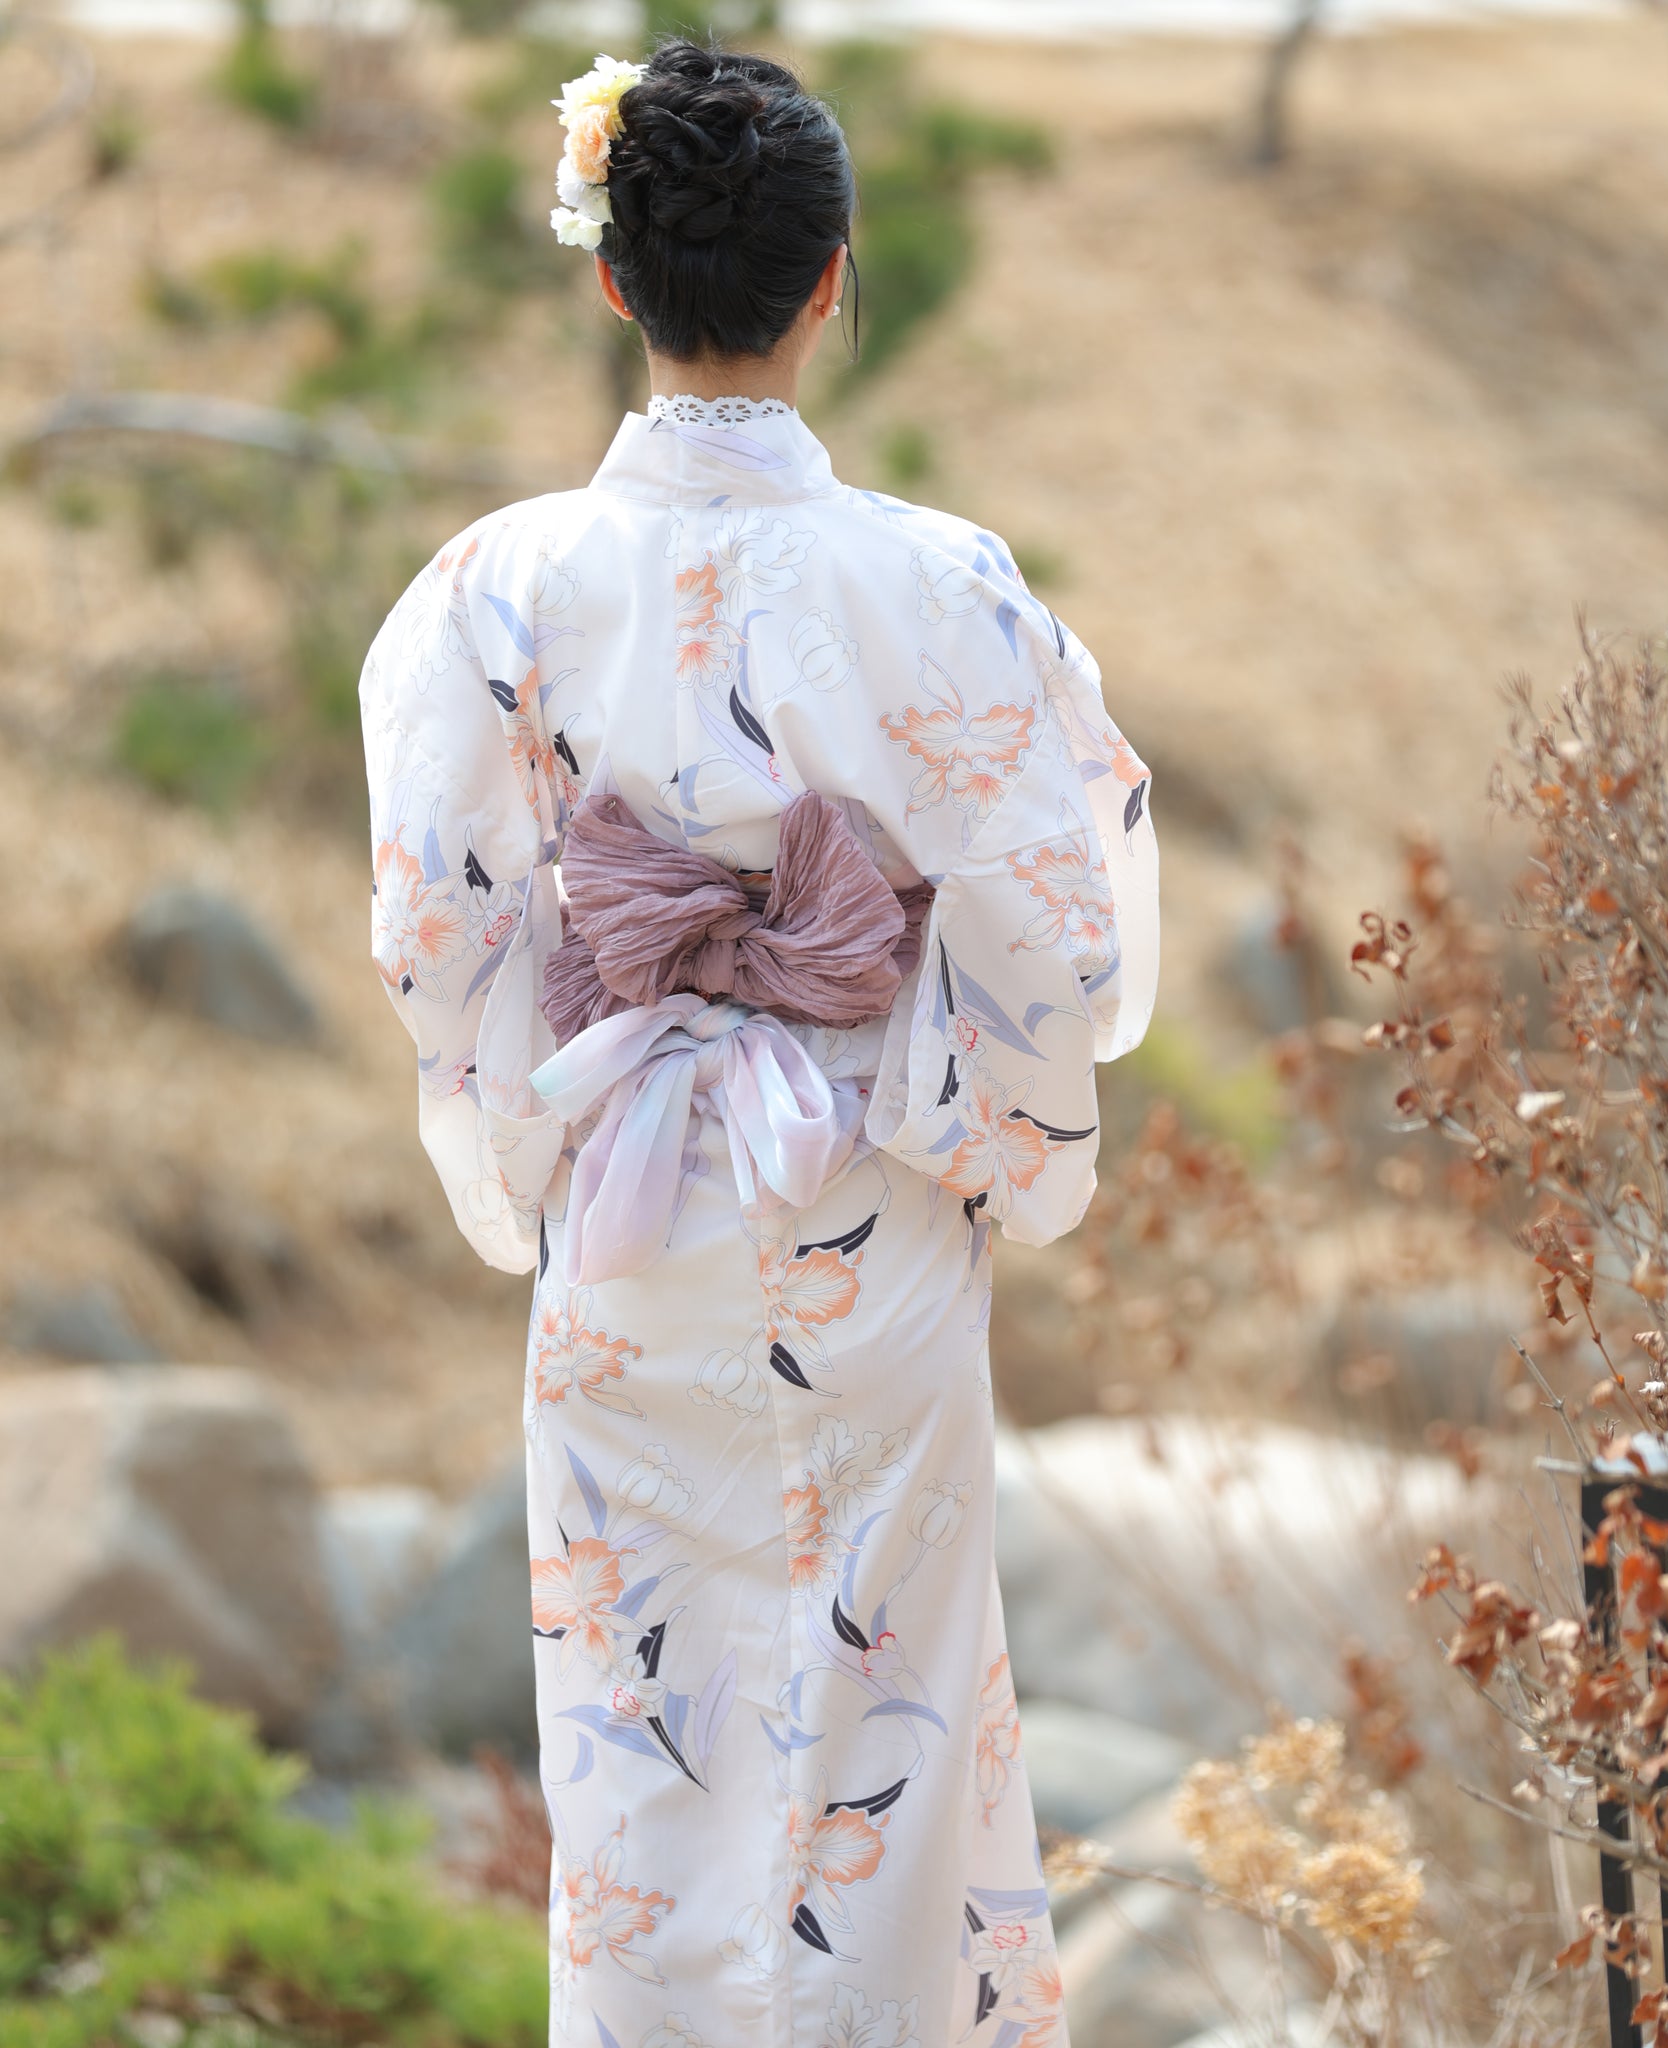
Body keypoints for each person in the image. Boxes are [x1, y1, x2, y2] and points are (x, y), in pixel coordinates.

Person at [359, 37, 1158, 2048]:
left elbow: (435, 930)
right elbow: (1063, 942)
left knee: (641, 1744)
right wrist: (950, 1092)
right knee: (885, 1731)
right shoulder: (942, 583)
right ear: (831, 279)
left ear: (610, 277)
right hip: (868, 1210)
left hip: (627, 1221)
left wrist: (530, 1103)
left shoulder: (491, 589)